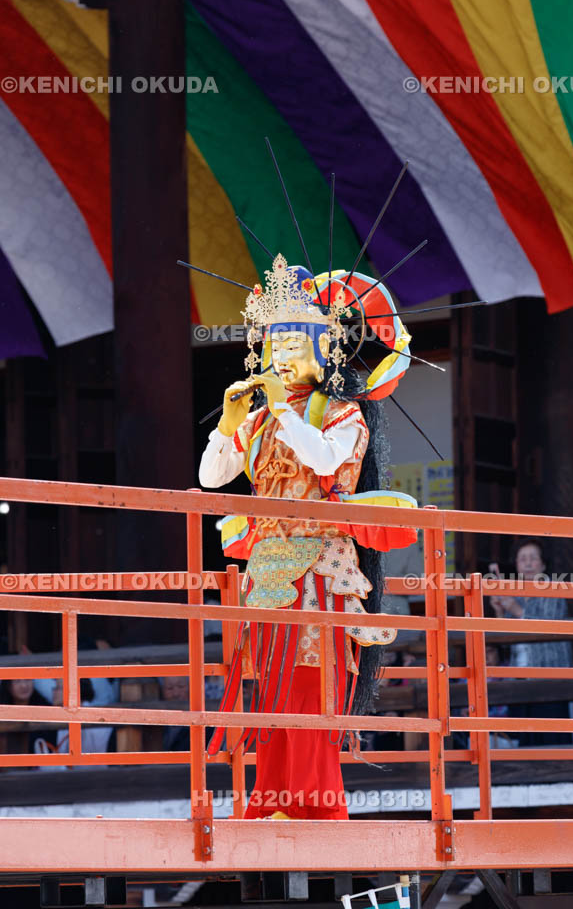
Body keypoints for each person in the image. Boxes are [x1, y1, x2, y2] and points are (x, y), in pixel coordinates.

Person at [198, 254, 418, 820]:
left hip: (320, 570)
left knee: (310, 692)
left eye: (294, 346)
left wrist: (281, 411)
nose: (280, 357)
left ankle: (317, 809)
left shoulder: (343, 415)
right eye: (274, 346)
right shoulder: (260, 420)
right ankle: (271, 803)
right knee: (270, 695)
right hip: (268, 571)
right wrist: (228, 423)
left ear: (324, 353)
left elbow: (323, 461)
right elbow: (211, 478)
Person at [489, 539, 573, 745]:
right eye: (522, 559)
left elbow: (547, 626)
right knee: (524, 737)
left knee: (553, 737)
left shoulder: (553, 589)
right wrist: (500, 611)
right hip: (519, 676)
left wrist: (514, 608)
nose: (528, 563)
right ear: (516, 565)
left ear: (543, 565)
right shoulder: (514, 593)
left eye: (533, 558)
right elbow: (505, 640)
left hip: (550, 675)